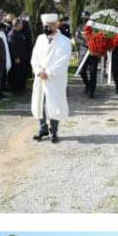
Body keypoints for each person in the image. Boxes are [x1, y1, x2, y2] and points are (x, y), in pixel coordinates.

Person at [29, 12, 72, 143]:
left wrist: (49, 72)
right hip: (40, 77)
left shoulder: (64, 41)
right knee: (40, 103)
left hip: (55, 78)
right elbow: (34, 57)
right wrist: (38, 71)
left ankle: (54, 130)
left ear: (56, 25)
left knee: (55, 104)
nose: (46, 28)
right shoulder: (40, 39)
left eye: (49, 25)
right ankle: (43, 129)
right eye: (45, 25)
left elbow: (63, 60)